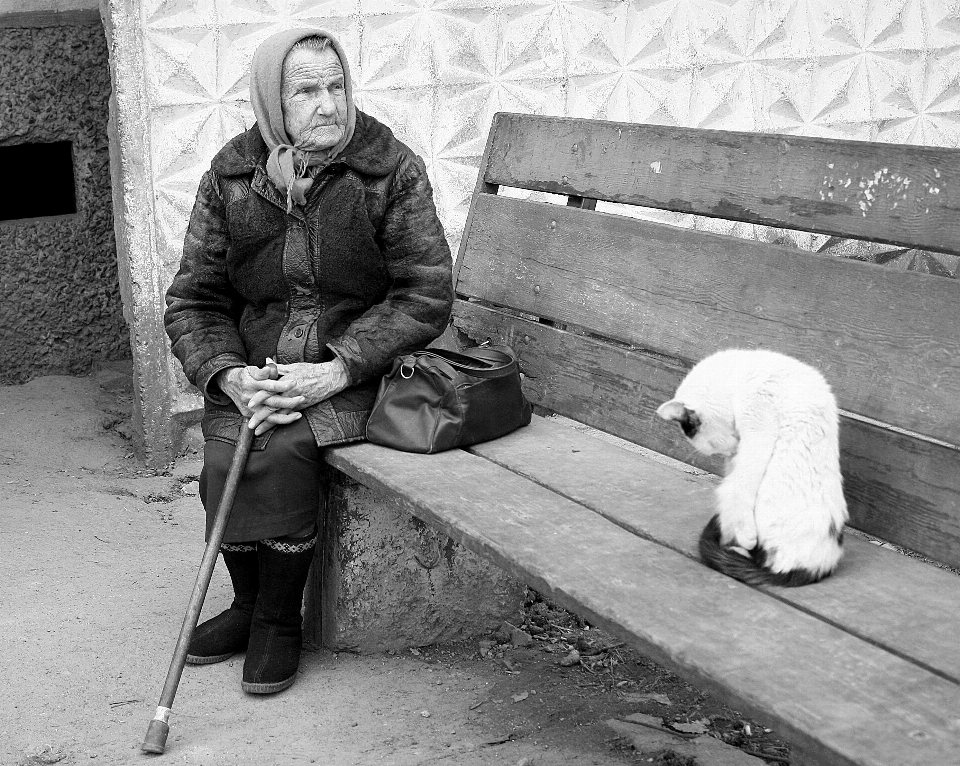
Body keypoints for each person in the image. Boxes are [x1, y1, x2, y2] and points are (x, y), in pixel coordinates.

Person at [164, 28, 454, 694]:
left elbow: (425, 292)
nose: (329, 105)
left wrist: (338, 366)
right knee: (225, 442)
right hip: (260, 368)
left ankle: (277, 619)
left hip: (363, 370)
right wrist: (230, 374)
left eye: (337, 86)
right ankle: (244, 604)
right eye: (307, 91)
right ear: (274, 101)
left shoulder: (389, 169)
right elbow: (194, 298)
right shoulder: (231, 173)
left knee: (286, 443)